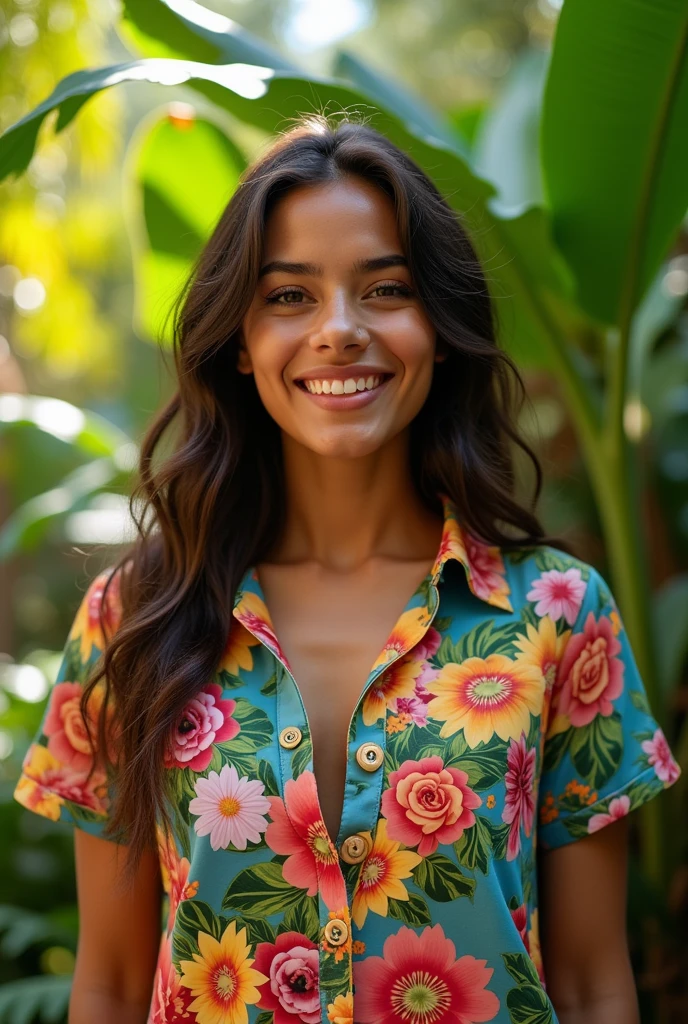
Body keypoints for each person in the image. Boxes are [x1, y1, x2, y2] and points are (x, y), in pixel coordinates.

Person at [13, 114, 681, 1024]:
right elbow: (113, 985)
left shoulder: (558, 613)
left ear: (438, 329)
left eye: (387, 289)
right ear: (239, 343)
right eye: (289, 296)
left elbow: (599, 984)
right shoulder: (134, 618)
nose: (339, 330)